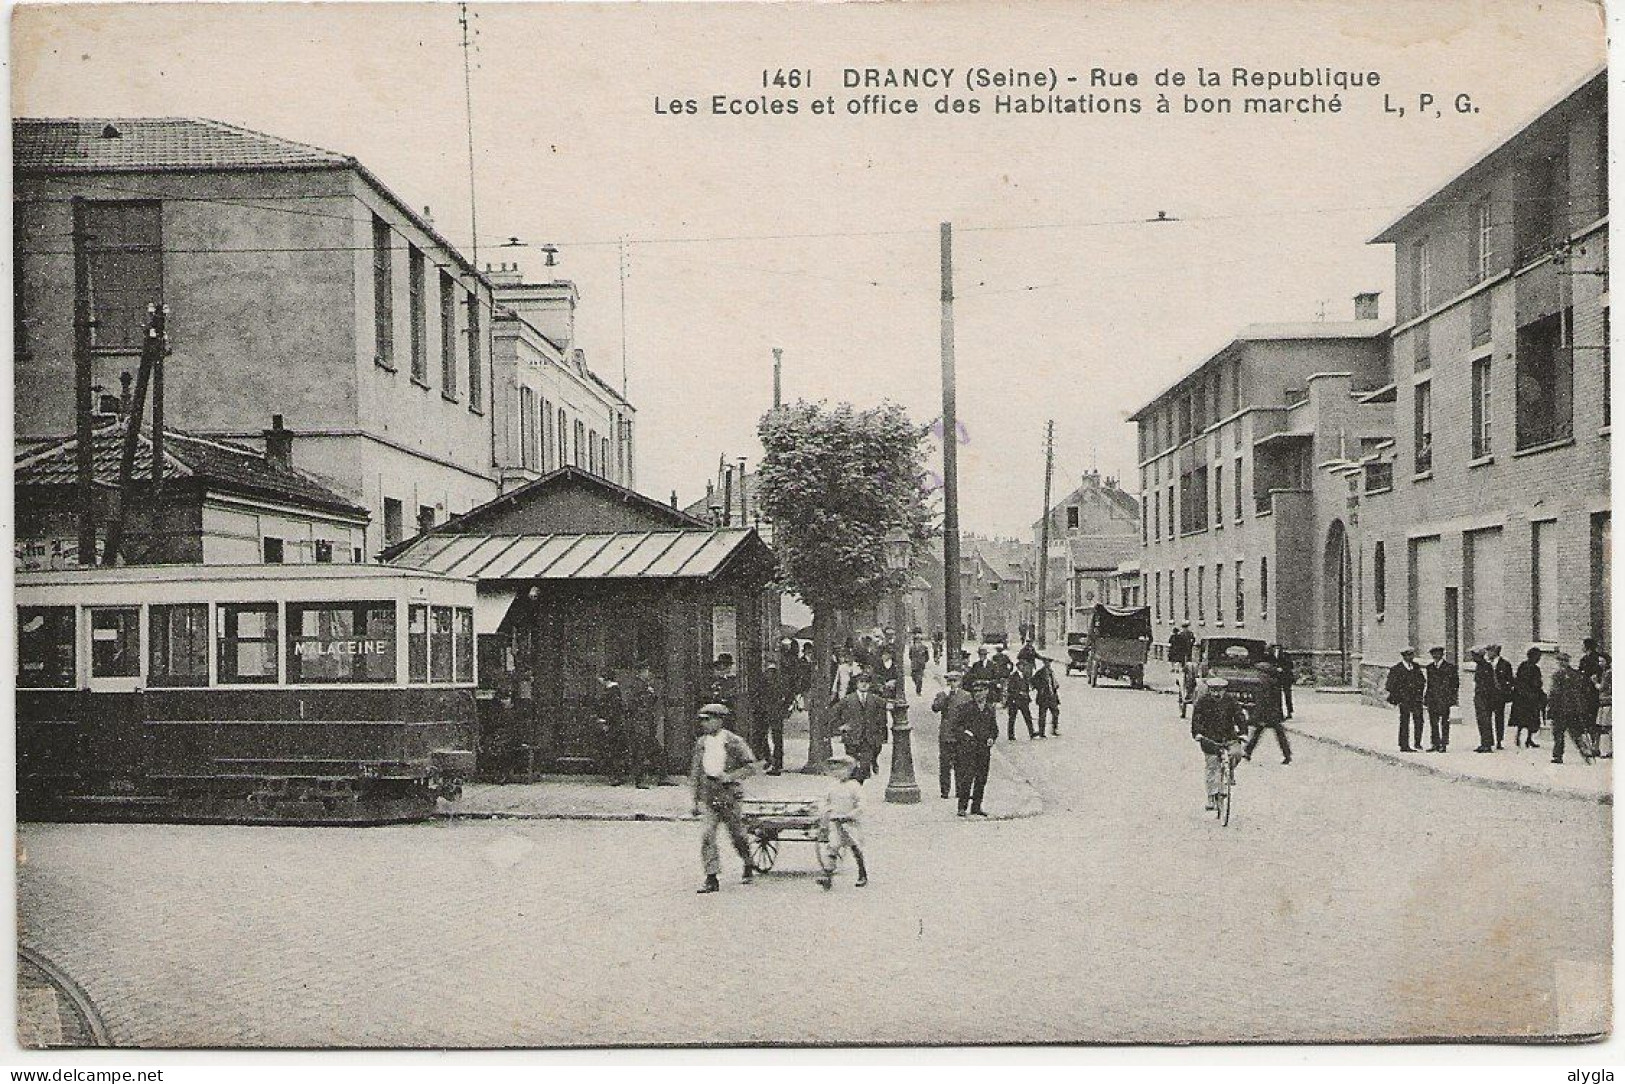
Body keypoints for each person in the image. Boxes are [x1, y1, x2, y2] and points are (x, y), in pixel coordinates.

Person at [689, 703, 760, 894]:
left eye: (709, 720)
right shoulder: (701, 743)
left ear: (720, 720)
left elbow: (751, 766)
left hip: (729, 794)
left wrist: (730, 777)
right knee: (707, 835)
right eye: (702, 721)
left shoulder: (734, 741)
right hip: (709, 793)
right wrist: (694, 800)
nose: (705, 724)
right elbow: (696, 771)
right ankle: (711, 877)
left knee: (737, 835)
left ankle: (747, 862)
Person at [1190, 677, 1247, 812]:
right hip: (1210, 738)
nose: (1216, 694)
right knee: (1212, 766)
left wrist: (1243, 732)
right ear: (1209, 690)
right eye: (1213, 691)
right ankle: (1211, 797)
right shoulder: (1203, 702)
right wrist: (1198, 734)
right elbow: (1196, 719)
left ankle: (1230, 770)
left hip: (1229, 737)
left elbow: (1240, 716)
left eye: (1219, 691)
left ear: (1224, 690)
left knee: (1237, 753)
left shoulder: (1230, 701)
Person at [817, 755, 868, 890]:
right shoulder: (832, 787)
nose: (838, 773)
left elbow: (862, 805)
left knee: (855, 846)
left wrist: (851, 815)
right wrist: (826, 811)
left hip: (850, 823)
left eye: (842, 770)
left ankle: (862, 873)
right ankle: (827, 876)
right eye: (835, 770)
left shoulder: (854, 786)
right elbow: (825, 801)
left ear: (849, 771)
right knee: (833, 846)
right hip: (836, 821)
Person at [951, 681, 998, 817]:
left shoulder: (989, 709)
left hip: (984, 749)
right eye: (976, 691)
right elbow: (956, 727)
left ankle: (976, 807)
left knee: (981, 778)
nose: (978, 694)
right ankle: (962, 807)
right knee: (967, 777)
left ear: (986, 692)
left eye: (981, 691)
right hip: (969, 749)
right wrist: (966, 735)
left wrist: (992, 738)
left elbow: (994, 729)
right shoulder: (966, 708)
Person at [832, 671, 889, 780]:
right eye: (861, 682)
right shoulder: (848, 699)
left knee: (864, 766)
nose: (864, 684)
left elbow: (882, 720)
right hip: (852, 737)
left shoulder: (877, 700)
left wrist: (882, 737)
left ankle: (861, 782)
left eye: (866, 682)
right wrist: (840, 727)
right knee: (851, 764)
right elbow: (834, 712)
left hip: (869, 738)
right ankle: (855, 787)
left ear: (870, 684)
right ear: (856, 684)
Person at [621, 660, 665, 788]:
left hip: (646, 724)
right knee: (640, 752)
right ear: (642, 671)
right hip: (639, 724)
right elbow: (631, 704)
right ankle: (640, 781)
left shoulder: (644, 685)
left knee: (655, 751)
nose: (649, 673)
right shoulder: (636, 685)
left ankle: (662, 777)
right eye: (647, 671)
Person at [1548, 650, 1595, 765]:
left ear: (1560, 662)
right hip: (1574, 709)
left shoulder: (1557, 675)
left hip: (1560, 709)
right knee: (1576, 733)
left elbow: (1554, 693)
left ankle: (1558, 755)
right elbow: (1580, 692)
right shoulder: (1576, 674)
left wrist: (1550, 708)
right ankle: (1586, 752)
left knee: (1558, 733)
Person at [931, 670, 971, 799]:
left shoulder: (966, 696)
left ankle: (960, 790)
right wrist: (945, 696)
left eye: (954, 681)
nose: (952, 684)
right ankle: (945, 791)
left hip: (960, 734)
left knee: (961, 764)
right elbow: (935, 708)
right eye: (949, 681)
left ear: (959, 682)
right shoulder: (942, 695)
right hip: (946, 734)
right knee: (945, 764)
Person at [1243, 660, 1291, 764]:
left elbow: (1262, 700)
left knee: (1266, 732)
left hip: (1267, 712)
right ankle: (1248, 751)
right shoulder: (1273, 681)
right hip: (1273, 712)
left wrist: (1257, 715)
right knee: (1273, 733)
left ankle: (1287, 754)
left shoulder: (1263, 682)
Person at [1386, 647, 1426, 753]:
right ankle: (1404, 745)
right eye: (1408, 655)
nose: (1410, 657)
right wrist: (1399, 696)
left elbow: (1422, 680)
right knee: (1405, 721)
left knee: (1419, 720)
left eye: (1412, 655)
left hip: (1416, 699)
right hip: (1404, 700)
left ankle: (1417, 742)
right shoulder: (1396, 669)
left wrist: (1419, 692)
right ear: (1403, 656)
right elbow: (1390, 685)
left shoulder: (1416, 667)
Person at [1423, 646, 1459, 753]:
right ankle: (1435, 743)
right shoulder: (1429, 667)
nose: (1435, 656)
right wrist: (1426, 698)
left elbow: (1455, 684)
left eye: (1438, 654)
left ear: (1442, 654)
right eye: (1433, 654)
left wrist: (1451, 697)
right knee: (1433, 722)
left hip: (1444, 699)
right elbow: (1429, 684)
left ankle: (1444, 743)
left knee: (1444, 722)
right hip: (1433, 699)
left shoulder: (1449, 667)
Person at [1510, 647, 1546, 749]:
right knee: (1526, 718)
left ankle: (1526, 738)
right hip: (1527, 697)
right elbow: (1530, 682)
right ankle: (1522, 738)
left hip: (1527, 696)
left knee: (1528, 719)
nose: (1538, 659)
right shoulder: (1530, 668)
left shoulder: (1528, 666)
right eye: (1537, 657)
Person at [758, 660, 790, 776]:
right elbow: (787, 695)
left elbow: (759, 694)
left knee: (764, 736)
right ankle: (777, 762)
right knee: (777, 739)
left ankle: (770, 760)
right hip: (776, 712)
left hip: (766, 711)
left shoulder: (763, 679)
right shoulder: (782, 679)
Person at [1578, 638, 1608, 754]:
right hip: (1597, 693)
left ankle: (1593, 747)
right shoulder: (1599, 658)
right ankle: (1596, 745)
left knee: (1589, 720)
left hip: (1588, 693)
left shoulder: (1585, 659)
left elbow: (1582, 676)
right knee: (1596, 720)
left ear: (1587, 647)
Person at [1469, 647, 1499, 753]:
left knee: (1485, 720)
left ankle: (1487, 744)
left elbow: (1489, 684)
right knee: (1482, 721)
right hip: (1480, 697)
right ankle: (1484, 743)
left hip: (1485, 698)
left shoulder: (1486, 666)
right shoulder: (1480, 666)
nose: (1472, 657)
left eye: (1474, 655)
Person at [1486, 644, 1514, 750]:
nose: (1488, 654)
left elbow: (1510, 680)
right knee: (1487, 718)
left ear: (1495, 652)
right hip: (1488, 696)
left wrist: (1504, 689)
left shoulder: (1505, 664)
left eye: (1490, 651)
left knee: (1499, 718)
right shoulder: (1487, 664)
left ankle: (1499, 740)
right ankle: (1489, 741)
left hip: (1499, 696)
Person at [1005, 659, 1036, 740]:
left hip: (1024, 700)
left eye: (1024, 666)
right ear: (1018, 666)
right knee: (1012, 718)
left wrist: (1029, 689)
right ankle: (1011, 735)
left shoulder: (1025, 676)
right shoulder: (1013, 676)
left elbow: (1027, 686)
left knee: (1028, 717)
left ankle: (1032, 733)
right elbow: (1010, 689)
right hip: (1014, 700)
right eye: (1023, 665)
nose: (1024, 667)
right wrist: (1019, 692)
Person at [1032, 655, 1062, 738]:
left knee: (1055, 713)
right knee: (1042, 715)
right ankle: (1042, 732)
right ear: (1044, 663)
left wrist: (1055, 688)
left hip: (1052, 696)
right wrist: (1040, 688)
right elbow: (1033, 681)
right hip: (1044, 697)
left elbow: (1054, 683)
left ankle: (1054, 729)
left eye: (1049, 662)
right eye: (1046, 662)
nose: (1048, 664)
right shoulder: (1040, 673)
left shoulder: (1051, 672)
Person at [1269, 645, 1296, 719]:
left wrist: (1282, 669)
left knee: (1287, 695)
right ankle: (1279, 713)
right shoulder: (1270, 655)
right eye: (1274, 647)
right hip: (1277, 678)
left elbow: (1290, 665)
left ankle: (1289, 712)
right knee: (1277, 696)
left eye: (1277, 647)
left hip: (1286, 677)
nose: (1276, 649)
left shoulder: (1286, 655)